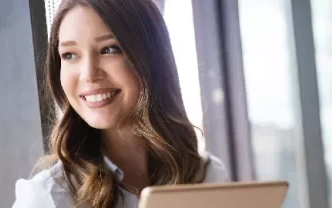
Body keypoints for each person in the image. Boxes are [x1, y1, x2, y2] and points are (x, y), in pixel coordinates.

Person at [12, 0, 229, 207]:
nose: (88, 74)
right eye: (69, 55)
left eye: (109, 49)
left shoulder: (208, 177)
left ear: (151, 57)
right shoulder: (47, 198)